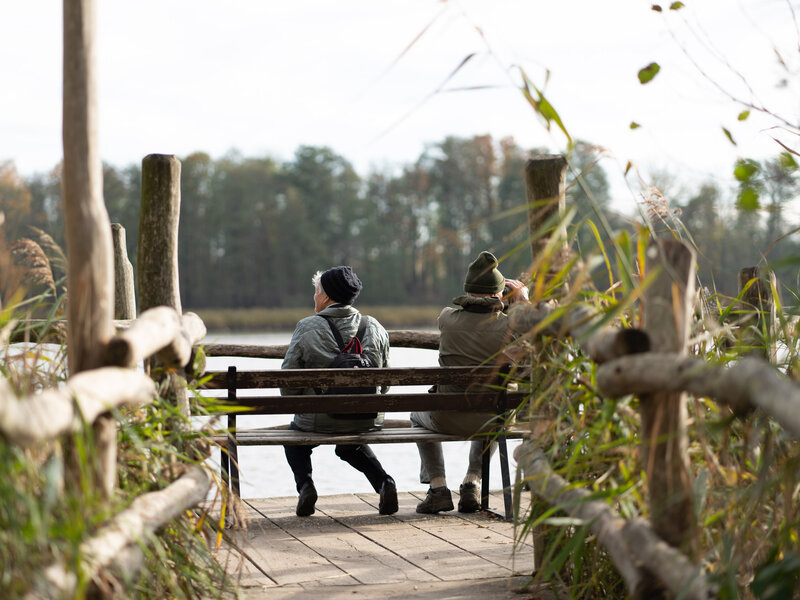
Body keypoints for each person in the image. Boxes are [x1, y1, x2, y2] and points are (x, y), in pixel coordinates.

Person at [411, 251, 528, 514]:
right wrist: (521, 299)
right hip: (494, 419)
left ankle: (438, 488)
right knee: (492, 406)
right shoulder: (510, 327)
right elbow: (531, 330)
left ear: (467, 291)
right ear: (498, 295)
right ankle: (471, 482)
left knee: (416, 414)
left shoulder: (446, 319)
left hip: (446, 417)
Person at [281, 266, 398, 517]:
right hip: (366, 418)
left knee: (293, 442)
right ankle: (385, 483)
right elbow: (386, 384)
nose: (314, 297)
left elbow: (288, 386)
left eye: (316, 291)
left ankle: (306, 486)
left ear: (325, 296)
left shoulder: (306, 326)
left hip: (318, 419)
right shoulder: (375, 326)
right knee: (350, 444)